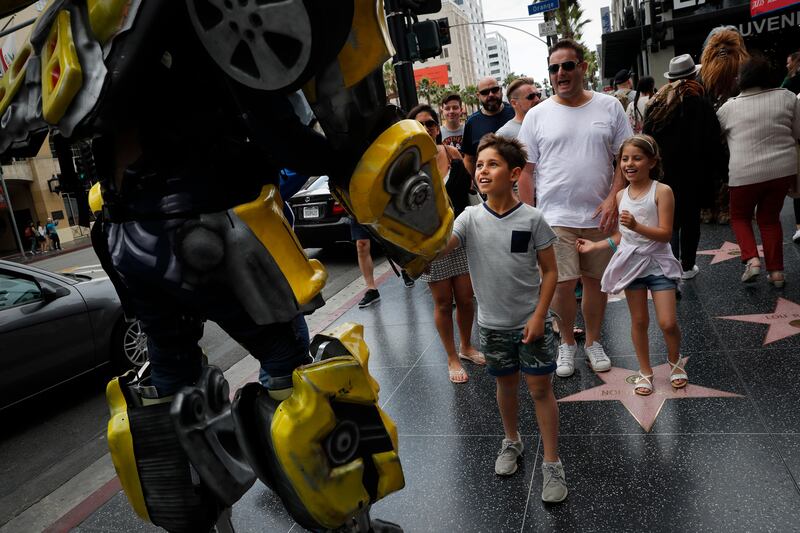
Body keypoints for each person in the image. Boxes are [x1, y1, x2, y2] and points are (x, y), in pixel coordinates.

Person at [438, 134, 566, 502]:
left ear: (514, 174)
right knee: (505, 386)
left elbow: (551, 272)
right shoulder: (470, 218)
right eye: (478, 164)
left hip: (531, 323)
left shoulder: (532, 218)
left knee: (541, 389)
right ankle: (512, 441)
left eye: (492, 164)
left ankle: (553, 464)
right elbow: (444, 247)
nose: (482, 170)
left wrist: (540, 316)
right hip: (492, 327)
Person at [517, 38, 633, 379]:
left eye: (567, 65)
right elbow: (526, 171)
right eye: (554, 68)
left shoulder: (610, 107)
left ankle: (594, 341)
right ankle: (567, 342)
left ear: (583, 68)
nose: (560, 73)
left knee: (596, 283)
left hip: (600, 215)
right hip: (554, 219)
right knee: (562, 285)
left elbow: (624, 160)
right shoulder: (537, 115)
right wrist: (529, 216)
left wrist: (614, 196)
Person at [576, 135, 685, 395]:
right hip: (632, 265)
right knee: (638, 321)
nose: (629, 163)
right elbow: (623, 236)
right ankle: (645, 370)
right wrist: (596, 246)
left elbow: (665, 234)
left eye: (636, 158)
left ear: (651, 161)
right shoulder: (621, 195)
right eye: (624, 159)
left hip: (658, 263)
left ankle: (675, 361)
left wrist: (637, 225)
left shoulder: (662, 191)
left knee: (668, 322)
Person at [407, 104, 484, 383]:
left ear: (437, 128)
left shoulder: (452, 154)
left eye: (430, 123)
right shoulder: (408, 165)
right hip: (433, 243)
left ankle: (466, 346)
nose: (426, 128)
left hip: (462, 236)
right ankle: (451, 356)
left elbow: (469, 193)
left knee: (465, 298)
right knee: (443, 302)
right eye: (419, 124)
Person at [717, 55, 800, 288]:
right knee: (770, 218)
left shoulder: (728, 108)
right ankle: (776, 273)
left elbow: (718, 139)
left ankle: (752, 259)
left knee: (740, 216)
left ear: (741, 79)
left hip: (744, 173)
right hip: (782, 169)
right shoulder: (787, 97)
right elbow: (797, 132)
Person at [643, 54, 724, 280]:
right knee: (690, 219)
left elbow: (647, 140)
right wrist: (722, 171)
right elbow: (713, 141)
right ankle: (687, 266)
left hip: (664, 173)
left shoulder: (656, 104)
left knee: (669, 220)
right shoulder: (701, 103)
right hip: (695, 174)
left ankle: (670, 266)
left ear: (670, 80)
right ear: (693, 76)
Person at [461, 76, 515, 176]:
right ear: (478, 95)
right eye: (485, 92)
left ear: (501, 91)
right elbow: (469, 159)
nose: (491, 95)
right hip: (487, 185)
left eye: (494, 90)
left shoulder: (515, 112)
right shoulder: (472, 122)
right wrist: (471, 185)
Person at [780, 51, 800, 243]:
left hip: (797, 141)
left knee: (798, 188)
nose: (786, 65)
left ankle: (799, 226)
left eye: (788, 62)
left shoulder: (789, 85)